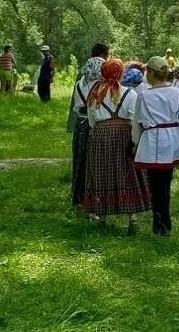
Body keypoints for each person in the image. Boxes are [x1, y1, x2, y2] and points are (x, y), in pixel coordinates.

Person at [132, 57, 179, 236]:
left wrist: (135, 143)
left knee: (155, 185)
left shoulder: (144, 95)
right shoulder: (176, 93)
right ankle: (164, 220)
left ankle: (160, 220)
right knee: (164, 182)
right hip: (170, 141)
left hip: (151, 141)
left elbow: (137, 123)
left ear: (150, 73)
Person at [83, 59, 150, 233]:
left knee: (101, 172)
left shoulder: (94, 94)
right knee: (126, 173)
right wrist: (135, 142)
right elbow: (135, 120)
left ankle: (102, 217)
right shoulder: (130, 94)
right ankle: (132, 219)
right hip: (123, 136)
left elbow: (91, 121)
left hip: (100, 137)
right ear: (120, 73)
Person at [70, 57, 104, 208]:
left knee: (79, 159)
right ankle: (93, 196)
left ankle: (77, 195)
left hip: (80, 123)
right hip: (93, 123)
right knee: (94, 160)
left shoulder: (79, 84)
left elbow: (76, 106)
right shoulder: (100, 86)